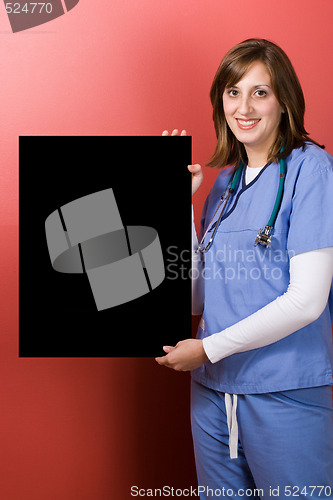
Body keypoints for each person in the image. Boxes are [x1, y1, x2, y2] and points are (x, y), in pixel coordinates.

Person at [156, 38, 333, 499]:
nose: (244, 106)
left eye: (260, 92)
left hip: (282, 390)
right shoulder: (223, 184)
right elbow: (198, 297)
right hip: (212, 393)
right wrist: (180, 205)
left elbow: (307, 302)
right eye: (233, 92)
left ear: (284, 100)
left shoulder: (311, 170)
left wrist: (207, 349)